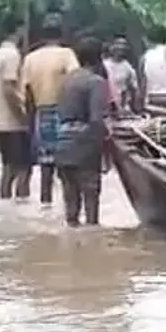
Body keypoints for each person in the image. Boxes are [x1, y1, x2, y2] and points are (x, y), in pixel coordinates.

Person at [20, 14, 79, 206]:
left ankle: (46, 207)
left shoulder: (30, 58)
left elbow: (27, 93)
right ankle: (69, 211)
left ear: (42, 35)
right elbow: (75, 83)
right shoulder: (67, 54)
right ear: (62, 34)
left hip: (41, 114)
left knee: (46, 168)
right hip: (65, 114)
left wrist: (30, 123)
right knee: (68, 168)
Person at [55, 36, 109, 227]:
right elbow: (96, 119)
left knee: (70, 199)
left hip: (62, 139)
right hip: (84, 141)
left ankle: (73, 239)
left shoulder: (66, 80)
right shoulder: (96, 82)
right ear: (99, 57)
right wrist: (105, 150)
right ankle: (92, 239)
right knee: (91, 195)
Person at [0, 21, 29, 200]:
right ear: (19, 31)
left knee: (8, 169)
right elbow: (8, 88)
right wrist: (23, 116)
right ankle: (22, 207)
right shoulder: (12, 55)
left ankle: (5, 207)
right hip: (16, 124)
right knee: (24, 168)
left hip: (2, 123)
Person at [103, 36, 139, 114]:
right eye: (118, 44)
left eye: (124, 44)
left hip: (122, 108)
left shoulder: (128, 67)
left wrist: (134, 108)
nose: (121, 47)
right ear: (111, 47)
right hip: (106, 107)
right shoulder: (104, 65)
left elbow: (133, 89)